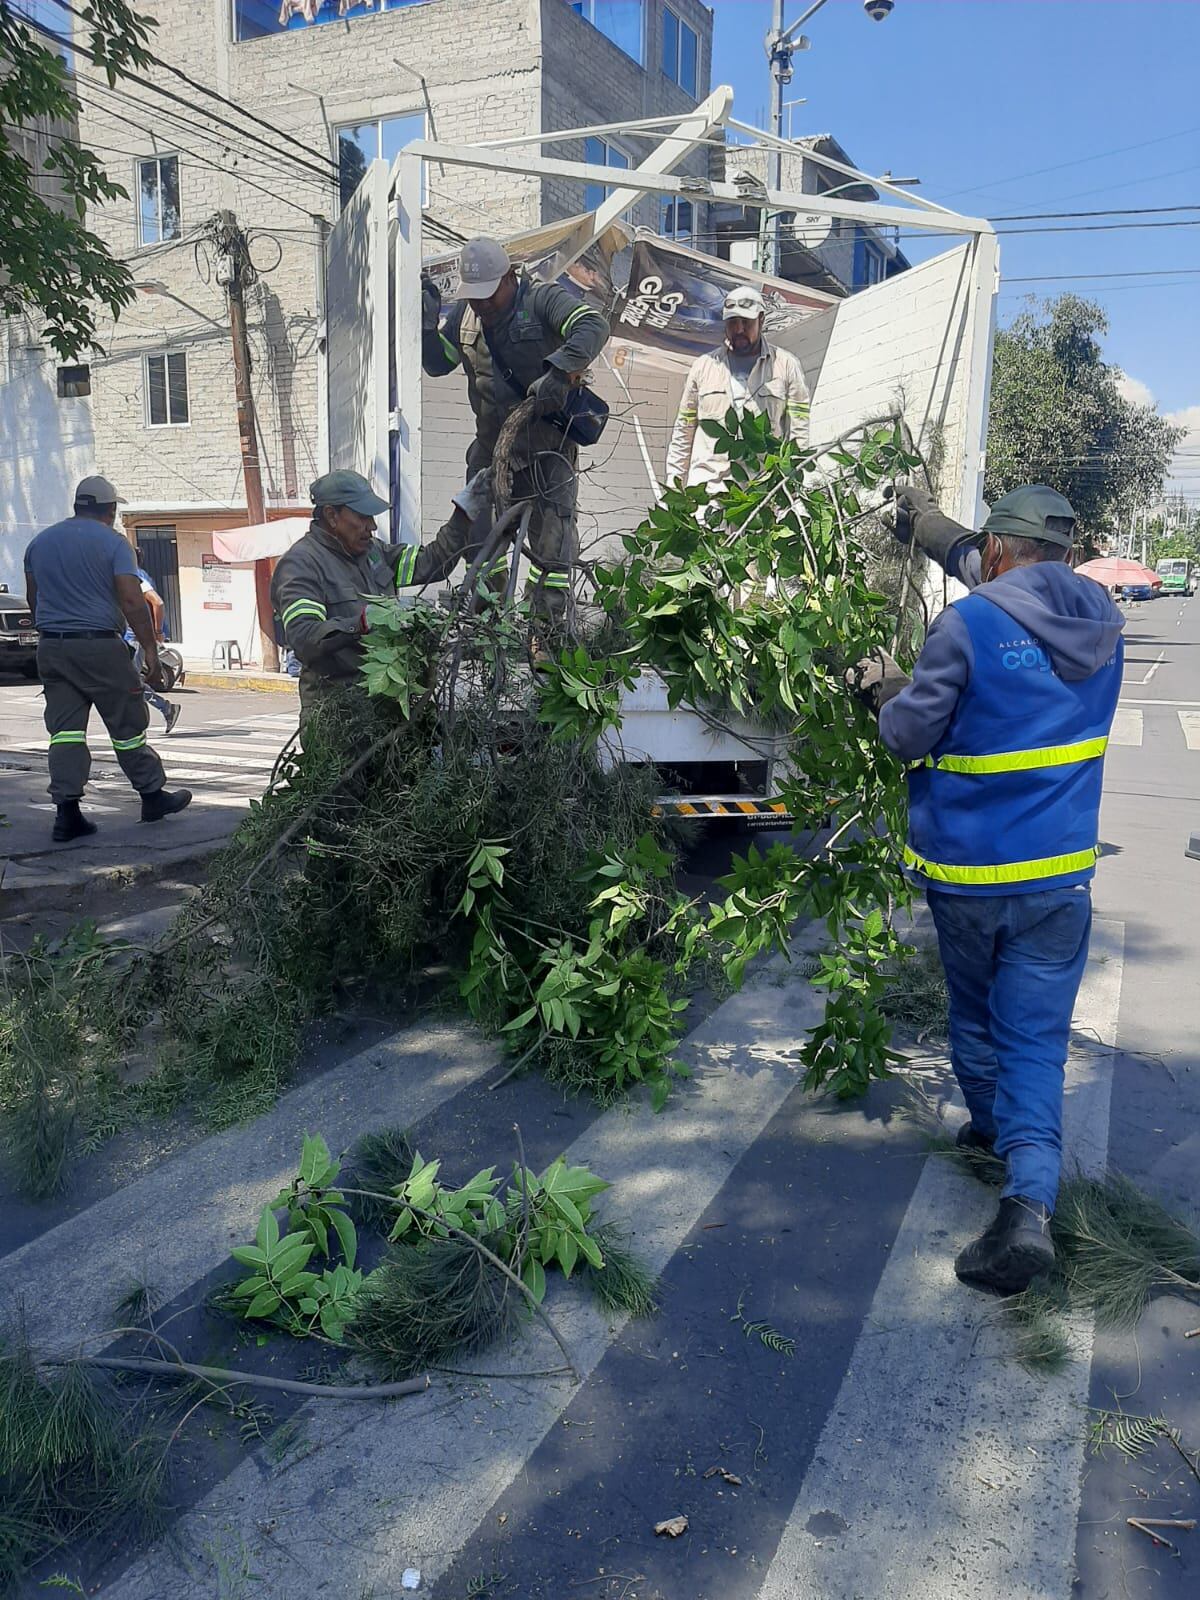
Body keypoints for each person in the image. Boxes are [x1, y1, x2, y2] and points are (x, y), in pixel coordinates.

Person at [847, 484, 1125, 1296]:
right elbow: (994, 571)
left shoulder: (966, 625)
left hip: (971, 876)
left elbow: (908, 736)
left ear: (999, 551)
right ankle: (1027, 1198)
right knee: (1034, 1039)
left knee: (976, 1019)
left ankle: (995, 1132)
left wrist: (884, 688)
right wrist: (926, 524)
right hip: (1059, 877)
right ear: (1066, 553)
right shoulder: (1104, 624)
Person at [421, 237, 611, 626]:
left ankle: (545, 633)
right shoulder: (466, 316)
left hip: (548, 454)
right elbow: (440, 364)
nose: (483, 305)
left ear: (510, 276)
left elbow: (593, 325)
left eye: (489, 294)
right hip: (489, 453)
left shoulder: (541, 300)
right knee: (479, 545)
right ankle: (486, 628)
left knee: (553, 551)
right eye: (475, 296)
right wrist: (427, 329)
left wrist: (560, 372)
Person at [23, 475, 192, 841]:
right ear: (111, 510)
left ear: (77, 505)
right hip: (98, 645)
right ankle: (152, 795)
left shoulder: (40, 543)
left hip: (52, 647)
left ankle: (67, 813)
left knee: (65, 732)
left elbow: (34, 599)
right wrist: (150, 650)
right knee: (127, 723)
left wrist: (51, 632)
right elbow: (132, 599)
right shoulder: (115, 544)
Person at [271, 467, 496, 718]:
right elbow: (304, 638)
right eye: (362, 517)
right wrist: (362, 622)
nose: (372, 526)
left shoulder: (373, 553)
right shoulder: (301, 565)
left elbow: (431, 563)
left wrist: (463, 513)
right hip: (336, 714)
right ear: (331, 515)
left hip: (382, 707)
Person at [665, 285, 809, 492]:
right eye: (733, 322)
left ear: (761, 319)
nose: (739, 329)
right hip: (708, 492)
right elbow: (683, 430)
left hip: (761, 493)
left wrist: (795, 490)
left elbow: (798, 434)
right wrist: (674, 487)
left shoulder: (786, 365)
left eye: (746, 322)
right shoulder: (703, 367)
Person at [125, 553, 181, 734]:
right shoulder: (131, 575)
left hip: (135, 637)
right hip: (129, 636)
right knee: (128, 681)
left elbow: (158, 602)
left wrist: (157, 631)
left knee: (130, 682)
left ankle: (164, 708)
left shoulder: (136, 576)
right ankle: (162, 709)